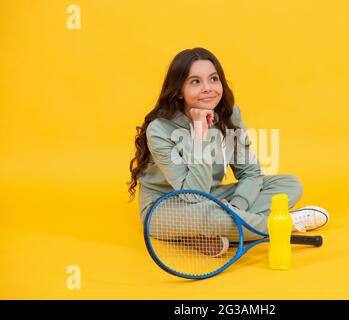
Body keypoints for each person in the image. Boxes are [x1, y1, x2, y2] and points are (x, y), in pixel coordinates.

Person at [128, 47, 329, 257]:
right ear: (179, 90)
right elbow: (192, 195)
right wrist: (200, 135)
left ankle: (214, 233)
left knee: (289, 184)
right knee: (211, 217)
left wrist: (235, 206)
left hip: (213, 197)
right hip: (167, 205)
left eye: (213, 79)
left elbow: (250, 173)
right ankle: (282, 225)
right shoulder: (160, 129)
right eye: (195, 81)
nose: (208, 88)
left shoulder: (229, 114)